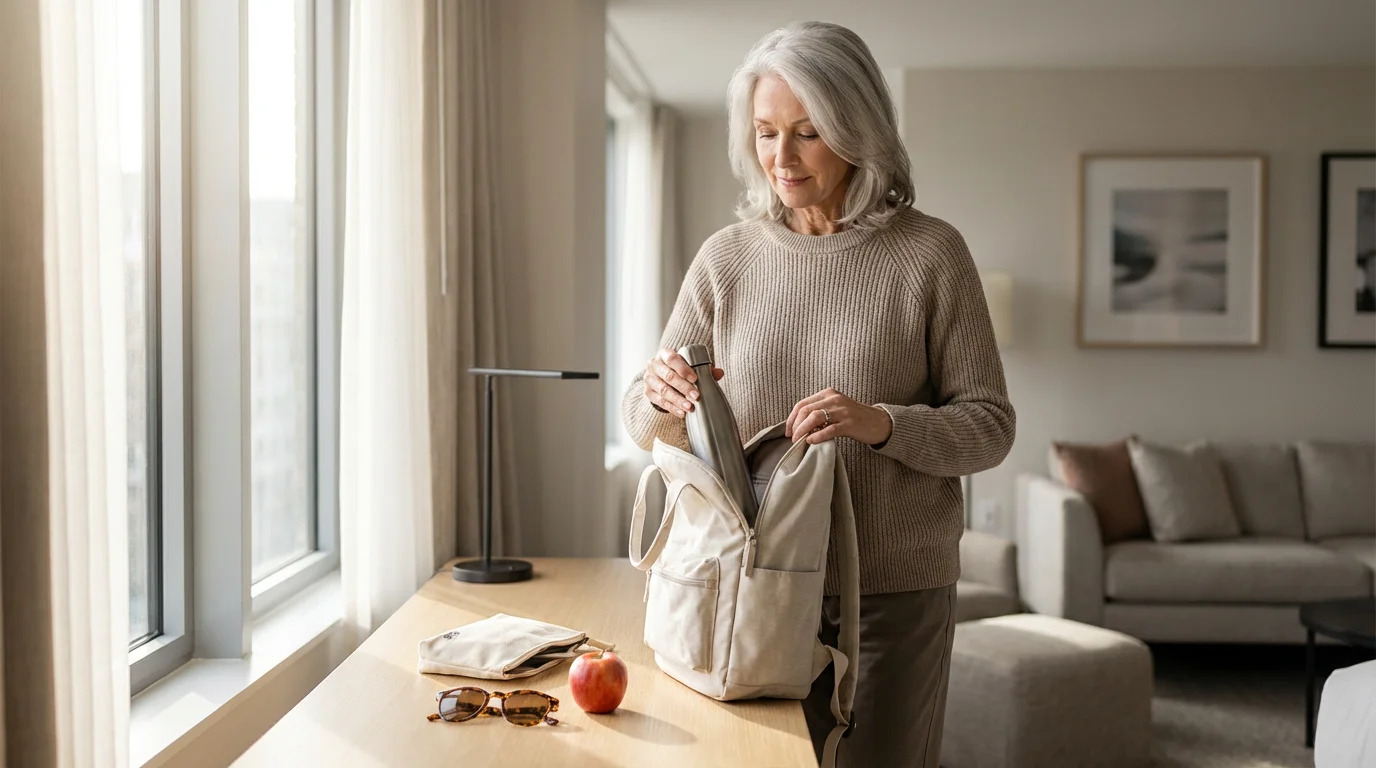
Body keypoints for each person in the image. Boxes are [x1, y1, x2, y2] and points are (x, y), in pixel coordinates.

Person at [619, 20, 1015, 768]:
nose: (781, 158)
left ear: (859, 128)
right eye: (766, 133)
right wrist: (662, 395)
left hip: (891, 596)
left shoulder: (932, 255)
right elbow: (641, 417)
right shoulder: (725, 260)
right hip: (745, 587)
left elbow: (991, 426)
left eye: (807, 133)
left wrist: (880, 424)